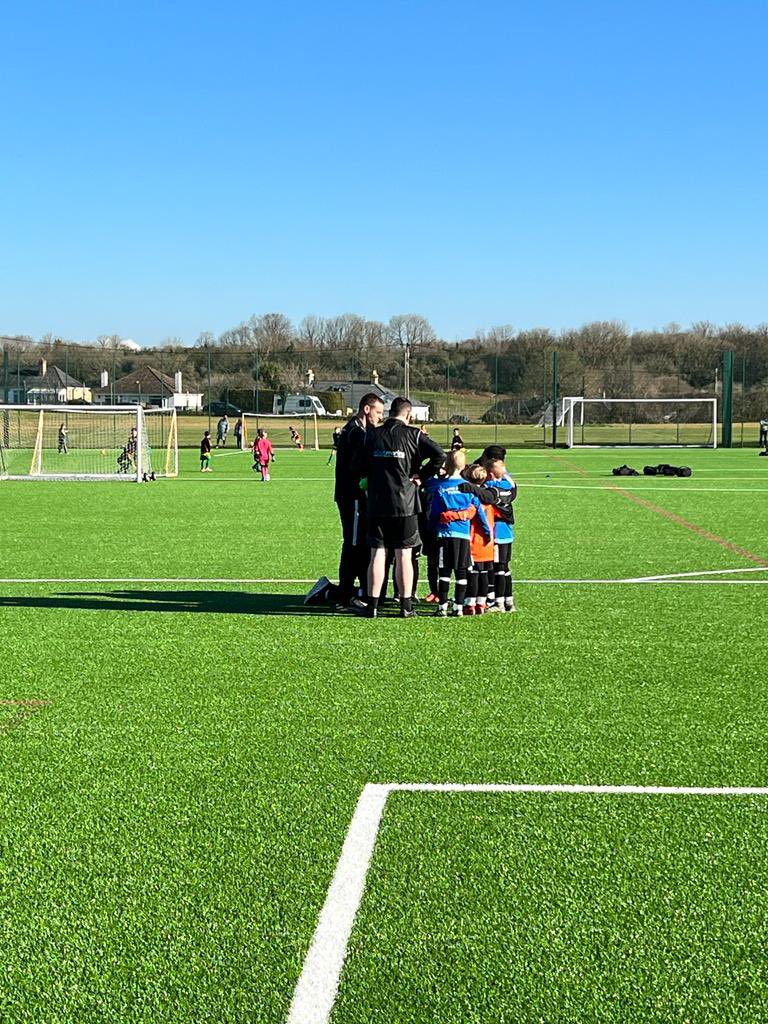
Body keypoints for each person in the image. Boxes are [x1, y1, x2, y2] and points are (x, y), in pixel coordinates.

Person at [358, 397, 445, 618]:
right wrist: (421, 477)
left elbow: (359, 464)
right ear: (408, 415)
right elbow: (440, 455)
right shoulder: (414, 434)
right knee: (404, 554)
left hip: (377, 502)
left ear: (390, 412)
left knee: (377, 553)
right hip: (405, 504)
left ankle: (372, 605)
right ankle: (405, 606)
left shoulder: (372, 433)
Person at [332, 393, 385, 610]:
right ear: (366, 409)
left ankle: (359, 589)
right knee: (353, 543)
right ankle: (344, 595)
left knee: (359, 542)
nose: (380, 417)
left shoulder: (359, 430)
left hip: (354, 495)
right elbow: (357, 465)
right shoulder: (355, 432)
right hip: (351, 495)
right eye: (378, 412)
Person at [427, 449, 490, 617]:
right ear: (463, 467)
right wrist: (486, 531)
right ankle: (459, 607)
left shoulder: (441, 487)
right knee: (462, 571)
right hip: (463, 536)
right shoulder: (468, 488)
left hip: (444, 535)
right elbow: (479, 511)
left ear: (446, 465)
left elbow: (434, 513)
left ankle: (442, 607)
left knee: (444, 571)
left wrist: (430, 528)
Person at [482, 458, 517, 611]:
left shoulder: (489, 488)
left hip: (496, 534)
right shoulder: (509, 486)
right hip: (507, 533)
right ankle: (509, 601)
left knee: (496, 569)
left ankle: (498, 603)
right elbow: (511, 481)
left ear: (489, 474)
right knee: (505, 567)